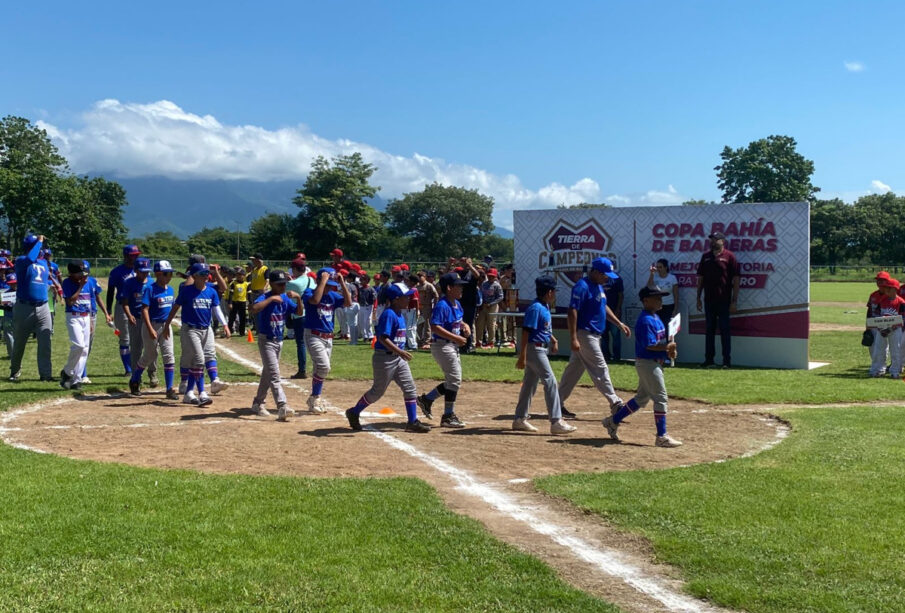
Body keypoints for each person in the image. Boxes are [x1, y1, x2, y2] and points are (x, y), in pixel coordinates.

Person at [344, 283, 432, 433]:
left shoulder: (399, 313)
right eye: (406, 297)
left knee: (410, 388)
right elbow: (383, 338)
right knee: (377, 392)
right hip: (384, 358)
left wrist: (400, 353)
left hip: (398, 358)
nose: (409, 298)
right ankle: (354, 411)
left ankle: (412, 421)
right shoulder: (389, 314)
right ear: (396, 299)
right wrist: (401, 351)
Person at [602, 286, 683, 447]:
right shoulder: (645, 320)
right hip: (648, 363)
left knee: (641, 398)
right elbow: (650, 345)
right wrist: (667, 347)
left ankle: (613, 421)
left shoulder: (655, 317)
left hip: (652, 363)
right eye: (656, 297)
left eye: (660, 297)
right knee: (660, 397)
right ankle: (661, 436)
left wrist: (669, 351)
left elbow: (659, 344)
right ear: (646, 301)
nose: (660, 300)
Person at [557, 257, 631, 420]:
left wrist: (619, 323)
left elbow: (603, 306)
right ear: (596, 272)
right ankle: (615, 403)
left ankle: (556, 404)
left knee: (573, 372)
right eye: (605, 275)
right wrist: (573, 337)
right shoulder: (582, 286)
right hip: (585, 334)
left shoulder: (597, 286)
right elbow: (572, 311)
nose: (607, 278)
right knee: (600, 367)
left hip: (593, 334)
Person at [512, 275, 577, 435]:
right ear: (548, 292)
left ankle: (519, 419)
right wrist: (523, 355)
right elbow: (526, 331)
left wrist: (553, 339)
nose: (555, 294)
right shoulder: (536, 308)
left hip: (540, 348)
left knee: (529, 384)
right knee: (550, 381)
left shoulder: (544, 306)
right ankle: (556, 421)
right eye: (554, 291)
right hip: (534, 349)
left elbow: (543, 329)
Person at [163, 263, 231, 406]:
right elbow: (175, 308)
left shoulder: (211, 291)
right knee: (199, 360)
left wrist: (225, 324)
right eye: (202, 274)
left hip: (206, 329)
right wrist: (167, 324)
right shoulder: (187, 291)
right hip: (190, 329)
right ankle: (202, 393)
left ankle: (188, 393)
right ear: (194, 276)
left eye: (206, 273)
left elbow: (216, 309)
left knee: (206, 356)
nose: (206, 276)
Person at [417, 272, 470, 428]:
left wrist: (464, 326)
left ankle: (427, 400)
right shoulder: (442, 305)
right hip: (442, 346)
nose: (461, 289)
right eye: (458, 286)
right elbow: (435, 326)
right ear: (449, 288)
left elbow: (457, 321)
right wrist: (456, 338)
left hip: (451, 346)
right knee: (454, 380)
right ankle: (447, 416)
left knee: (452, 380)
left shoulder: (456, 304)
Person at [250, 270, 304, 421]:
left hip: (279, 341)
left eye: (284, 284)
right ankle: (282, 406)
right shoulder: (266, 297)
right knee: (274, 374)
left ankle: (258, 403)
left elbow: (299, 312)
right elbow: (253, 308)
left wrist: (299, 298)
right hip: (266, 340)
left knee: (268, 373)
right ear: (272, 284)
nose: (282, 287)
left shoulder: (285, 299)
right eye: (279, 284)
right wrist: (271, 299)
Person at [303, 267, 352, 413]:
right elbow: (315, 300)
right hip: (313, 335)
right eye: (329, 284)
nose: (331, 287)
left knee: (320, 368)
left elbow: (348, 303)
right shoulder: (308, 292)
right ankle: (315, 397)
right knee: (324, 367)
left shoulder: (333, 296)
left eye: (332, 284)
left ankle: (314, 398)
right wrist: (323, 281)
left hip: (328, 337)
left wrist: (342, 284)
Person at [9, 234, 54, 382]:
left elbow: (42, 281)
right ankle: (14, 371)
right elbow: (30, 258)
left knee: (45, 342)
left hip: (43, 306)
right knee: (20, 342)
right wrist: (40, 241)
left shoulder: (43, 263)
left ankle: (46, 375)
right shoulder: (22, 261)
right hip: (24, 307)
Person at [129, 260, 177, 399]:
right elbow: (144, 309)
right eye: (167, 274)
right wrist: (150, 328)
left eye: (171, 274)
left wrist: (168, 325)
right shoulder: (150, 289)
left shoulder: (170, 289)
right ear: (158, 274)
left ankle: (169, 389)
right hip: (152, 325)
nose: (170, 277)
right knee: (150, 356)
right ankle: (134, 380)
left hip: (166, 326)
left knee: (169, 355)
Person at [696, 232, 740, 368]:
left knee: (725, 330)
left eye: (715, 239)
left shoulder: (730, 256)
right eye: (711, 239)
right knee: (709, 330)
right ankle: (709, 360)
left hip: (724, 300)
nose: (712, 242)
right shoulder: (706, 257)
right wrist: (698, 297)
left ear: (722, 241)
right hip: (709, 300)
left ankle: (726, 361)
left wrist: (734, 301)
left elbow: (736, 279)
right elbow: (700, 278)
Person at [120, 257, 157, 387]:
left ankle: (152, 373)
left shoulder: (152, 282)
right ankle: (137, 377)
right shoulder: (129, 283)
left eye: (147, 271)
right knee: (136, 349)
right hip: (136, 319)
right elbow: (124, 302)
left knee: (152, 348)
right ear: (135, 270)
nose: (144, 274)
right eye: (142, 271)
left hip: (149, 320)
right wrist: (129, 315)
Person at [107, 244, 142, 374]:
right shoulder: (116, 272)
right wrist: (109, 311)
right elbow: (110, 292)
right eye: (133, 256)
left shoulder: (141, 270)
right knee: (124, 338)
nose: (136, 258)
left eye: (137, 255)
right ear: (126, 256)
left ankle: (136, 365)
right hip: (122, 306)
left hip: (138, 306)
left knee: (139, 338)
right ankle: (128, 368)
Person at [59, 260, 93, 389]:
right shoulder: (67, 283)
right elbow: (70, 302)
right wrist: (80, 287)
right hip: (74, 316)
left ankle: (76, 380)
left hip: (86, 316)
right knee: (78, 345)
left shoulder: (87, 281)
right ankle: (67, 372)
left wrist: (90, 320)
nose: (82, 276)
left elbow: (89, 301)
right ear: (71, 273)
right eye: (79, 274)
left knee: (84, 350)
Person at [80, 260, 113, 384]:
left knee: (88, 346)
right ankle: (82, 374)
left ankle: (79, 370)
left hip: (92, 315)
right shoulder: (76, 282)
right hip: (81, 315)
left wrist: (106, 313)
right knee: (82, 345)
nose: (84, 276)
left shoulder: (93, 281)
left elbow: (98, 298)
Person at [867, 275, 905, 378]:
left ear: (895, 289)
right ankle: (877, 369)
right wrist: (880, 327)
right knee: (879, 350)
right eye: (886, 287)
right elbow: (878, 315)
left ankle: (895, 371)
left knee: (895, 350)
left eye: (889, 288)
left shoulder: (901, 302)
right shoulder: (882, 300)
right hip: (881, 329)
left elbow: (903, 318)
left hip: (895, 330)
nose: (886, 289)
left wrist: (891, 327)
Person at [288, 257, 316, 379]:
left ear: (294, 269)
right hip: (311, 314)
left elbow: (286, 296)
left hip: (299, 314)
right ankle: (317, 368)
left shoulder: (292, 283)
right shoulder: (311, 279)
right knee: (313, 342)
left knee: (301, 343)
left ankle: (302, 370)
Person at [457, 258, 484, 353]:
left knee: (469, 324)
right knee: (460, 324)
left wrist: (470, 266)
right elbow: (446, 276)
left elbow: (478, 275)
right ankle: (461, 345)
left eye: (466, 261)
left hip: (470, 303)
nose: (465, 263)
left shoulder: (472, 272)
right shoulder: (459, 273)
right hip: (460, 302)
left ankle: (469, 345)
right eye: (463, 261)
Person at [476, 268, 503, 348]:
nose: (491, 277)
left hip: (492, 306)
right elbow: (480, 294)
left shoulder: (497, 285)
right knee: (480, 324)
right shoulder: (484, 284)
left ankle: (491, 342)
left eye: (492, 276)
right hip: (483, 305)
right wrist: (481, 303)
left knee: (491, 324)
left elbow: (500, 297)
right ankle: (478, 342)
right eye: (489, 276)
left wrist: (491, 303)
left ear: (495, 277)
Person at [602, 264, 624, 361]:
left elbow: (621, 295)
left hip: (614, 311)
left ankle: (616, 357)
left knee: (615, 335)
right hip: (602, 313)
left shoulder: (617, 279)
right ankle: (606, 356)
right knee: (603, 336)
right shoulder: (598, 280)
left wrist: (618, 309)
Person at [647, 259, 680, 323]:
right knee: (657, 326)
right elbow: (649, 287)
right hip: (656, 306)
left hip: (669, 306)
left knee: (667, 326)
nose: (658, 269)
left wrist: (675, 309)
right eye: (657, 267)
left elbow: (676, 294)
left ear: (666, 267)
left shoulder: (672, 278)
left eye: (660, 267)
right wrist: (652, 274)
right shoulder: (655, 277)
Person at [416, 271, 439, 349]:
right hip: (419, 307)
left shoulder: (429, 285)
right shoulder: (417, 286)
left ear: (424, 277)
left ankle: (427, 342)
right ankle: (419, 341)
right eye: (418, 276)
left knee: (427, 325)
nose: (419, 277)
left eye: (420, 276)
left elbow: (436, 296)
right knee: (419, 325)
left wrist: (435, 306)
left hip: (427, 307)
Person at [247, 253, 269, 330]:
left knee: (262, 311)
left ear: (258, 260)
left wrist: (264, 288)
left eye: (254, 260)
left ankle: (263, 328)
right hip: (254, 292)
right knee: (255, 311)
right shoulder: (254, 269)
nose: (252, 261)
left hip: (261, 293)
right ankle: (257, 328)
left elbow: (267, 280)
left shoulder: (265, 269)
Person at [227, 268, 249, 335]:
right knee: (232, 317)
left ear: (244, 275)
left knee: (243, 318)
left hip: (242, 302)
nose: (239, 276)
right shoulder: (233, 283)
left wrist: (250, 303)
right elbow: (231, 294)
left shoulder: (246, 284)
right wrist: (230, 303)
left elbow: (249, 294)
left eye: (240, 275)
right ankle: (229, 331)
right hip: (235, 302)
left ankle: (241, 332)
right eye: (237, 275)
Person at [0, 262, 15, 357]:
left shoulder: (22, 292)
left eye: (4, 270)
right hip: (6, 312)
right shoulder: (5, 288)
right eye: (1, 270)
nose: (2, 272)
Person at [357, 273, 377, 342]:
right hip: (361, 306)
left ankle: (370, 335)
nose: (361, 281)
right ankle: (365, 335)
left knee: (368, 321)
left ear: (367, 281)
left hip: (368, 306)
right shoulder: (360, 289)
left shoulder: (371, 289)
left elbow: (375, 299)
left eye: (363, 280)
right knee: (361, 321)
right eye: (360, 280)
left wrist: (374, 308)